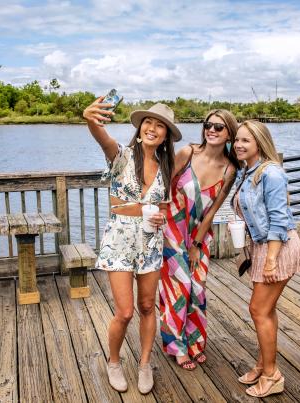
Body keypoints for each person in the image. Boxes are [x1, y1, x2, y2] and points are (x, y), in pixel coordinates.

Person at [82, 98, 181, 394]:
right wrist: (90, 118)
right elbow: (102, 136)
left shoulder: (166, 166)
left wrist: (162, 216)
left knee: (148, 306)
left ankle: (145, 364)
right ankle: (114, 362)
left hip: (150, 242)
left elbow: (163, 206)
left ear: (165, 135)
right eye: (148, 122)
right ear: (139, 129)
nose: (153, 128)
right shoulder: (121, 155)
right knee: (125, 312)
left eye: (160, 125)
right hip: (120, 242)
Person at [159, 109, 239, 370]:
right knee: (178, 287)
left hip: (199, 236)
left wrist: (196, 246)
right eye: (208, 125)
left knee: (198, 289)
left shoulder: (230, 168)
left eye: (219, 127)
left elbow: (213, 210)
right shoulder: (188, 153)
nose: (212, 130)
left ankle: (195, 342)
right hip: (172, 231)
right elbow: (164, 187)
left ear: (229, 133)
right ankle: (176, 346)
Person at [232, 120, 300, 397]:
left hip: (278, 247)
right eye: (237, 140)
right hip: (262, 247)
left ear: (259, 143)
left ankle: (273, 375)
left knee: (258, 310)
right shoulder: (247, 171)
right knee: (266, 310)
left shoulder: (271, 173)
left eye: (245, 140)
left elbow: (279, 219)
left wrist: (272, 259)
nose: (238, 145)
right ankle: (263, 365)